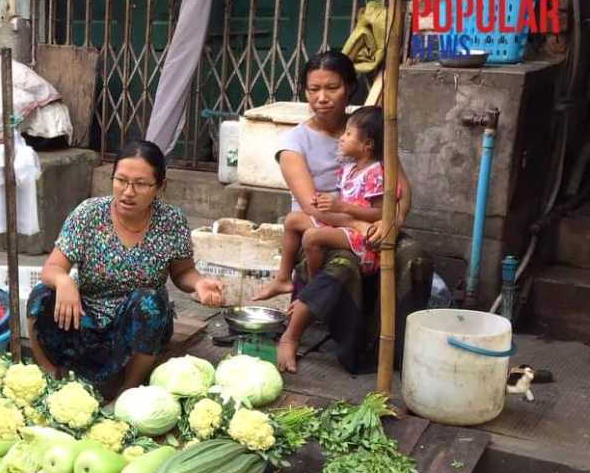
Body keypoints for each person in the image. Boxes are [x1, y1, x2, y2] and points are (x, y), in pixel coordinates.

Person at [253, 50, 425, 375]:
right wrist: (360, 221)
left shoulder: (369, 127)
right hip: (321, 232)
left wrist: (392, 221)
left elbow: (401, 190)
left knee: (414, 253)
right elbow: (310, 206)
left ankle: (402, 346)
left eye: (331, 87)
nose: (321, 98)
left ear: (348, 86)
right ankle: (292, 338)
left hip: (372, 224)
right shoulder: (294, 142)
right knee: (344, 264)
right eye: (313, 89)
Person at [27, 140, 225, 393]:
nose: (128, 191)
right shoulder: (88, 214)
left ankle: (126, 392)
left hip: (140, 322)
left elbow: (182, 272)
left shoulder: (172, 221)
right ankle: (50, 378)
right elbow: (52, 267)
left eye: (140, 184)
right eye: (121, 180)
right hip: (86, 319)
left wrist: (199, 283)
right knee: (40, 295)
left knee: (149, 302)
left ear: (160, 187)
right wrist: (64, 281)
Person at [255, 105, 388, 293]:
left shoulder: (376, 172)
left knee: (311, 237)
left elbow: (381, 212)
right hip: (346, 224)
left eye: (348, 134)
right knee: (293, 219)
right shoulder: (349, 168)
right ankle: (283, 278)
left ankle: (313, 288)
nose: (341, 138)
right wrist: (329, 205)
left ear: (367, 145)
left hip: (362, 233)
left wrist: (343, 208)